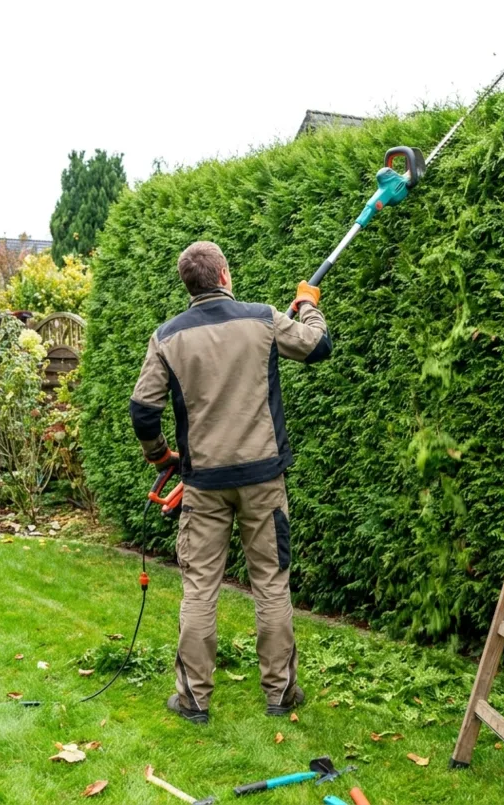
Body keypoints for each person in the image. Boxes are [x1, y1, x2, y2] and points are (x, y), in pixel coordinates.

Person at [129, 240, 332, 724]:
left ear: (190, 284)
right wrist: (308, 306)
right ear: (223, 274)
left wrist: (160, 455)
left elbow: (142, 409)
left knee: (200, 587)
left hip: (204, 483)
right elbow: (317, 346)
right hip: (264, 478)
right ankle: (280, 694)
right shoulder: (262, 319)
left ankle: (194, 701)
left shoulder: (167, 337)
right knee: (271, 582)